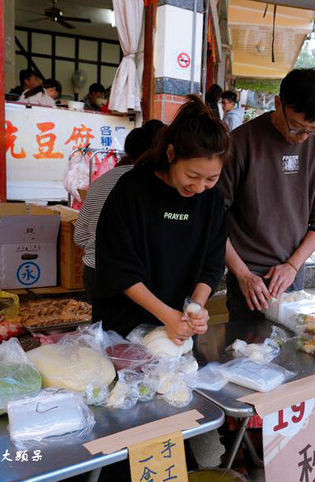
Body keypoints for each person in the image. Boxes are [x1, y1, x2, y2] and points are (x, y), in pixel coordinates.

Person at [92, 96, 229, 340]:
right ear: (171, 153)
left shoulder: (213, 200)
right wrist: (167, 315)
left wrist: (195, 308)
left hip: (178, 330)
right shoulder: (133, 189)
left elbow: (213, 263)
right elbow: (117, 266)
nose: (199, 188)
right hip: (124, 326)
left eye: (211, 179)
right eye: (192, 175)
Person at [218, 68, 315, 319]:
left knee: (290, 352)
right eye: (296, 128)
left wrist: (294, 265)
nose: (303, 138)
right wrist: (241, 274)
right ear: (278, 104)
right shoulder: (240, 143)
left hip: (293, 273)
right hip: (249, 278)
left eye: (313, 129)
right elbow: (212, 217)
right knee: (246, 353)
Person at [75, 120, 165, 303]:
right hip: (137, 282)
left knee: (100, 331)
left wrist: (98, 250)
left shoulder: (103, 180)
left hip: (95, 272)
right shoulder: (151, 185)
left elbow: (80, 236)